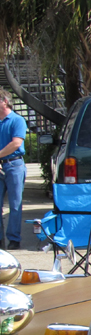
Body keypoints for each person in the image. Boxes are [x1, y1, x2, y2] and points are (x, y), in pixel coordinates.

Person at [0, 88, 28, 250]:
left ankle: (14, 239)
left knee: (15, 204)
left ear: (5, 101)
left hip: (14, 165)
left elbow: (16, 143)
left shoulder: (17, 120)